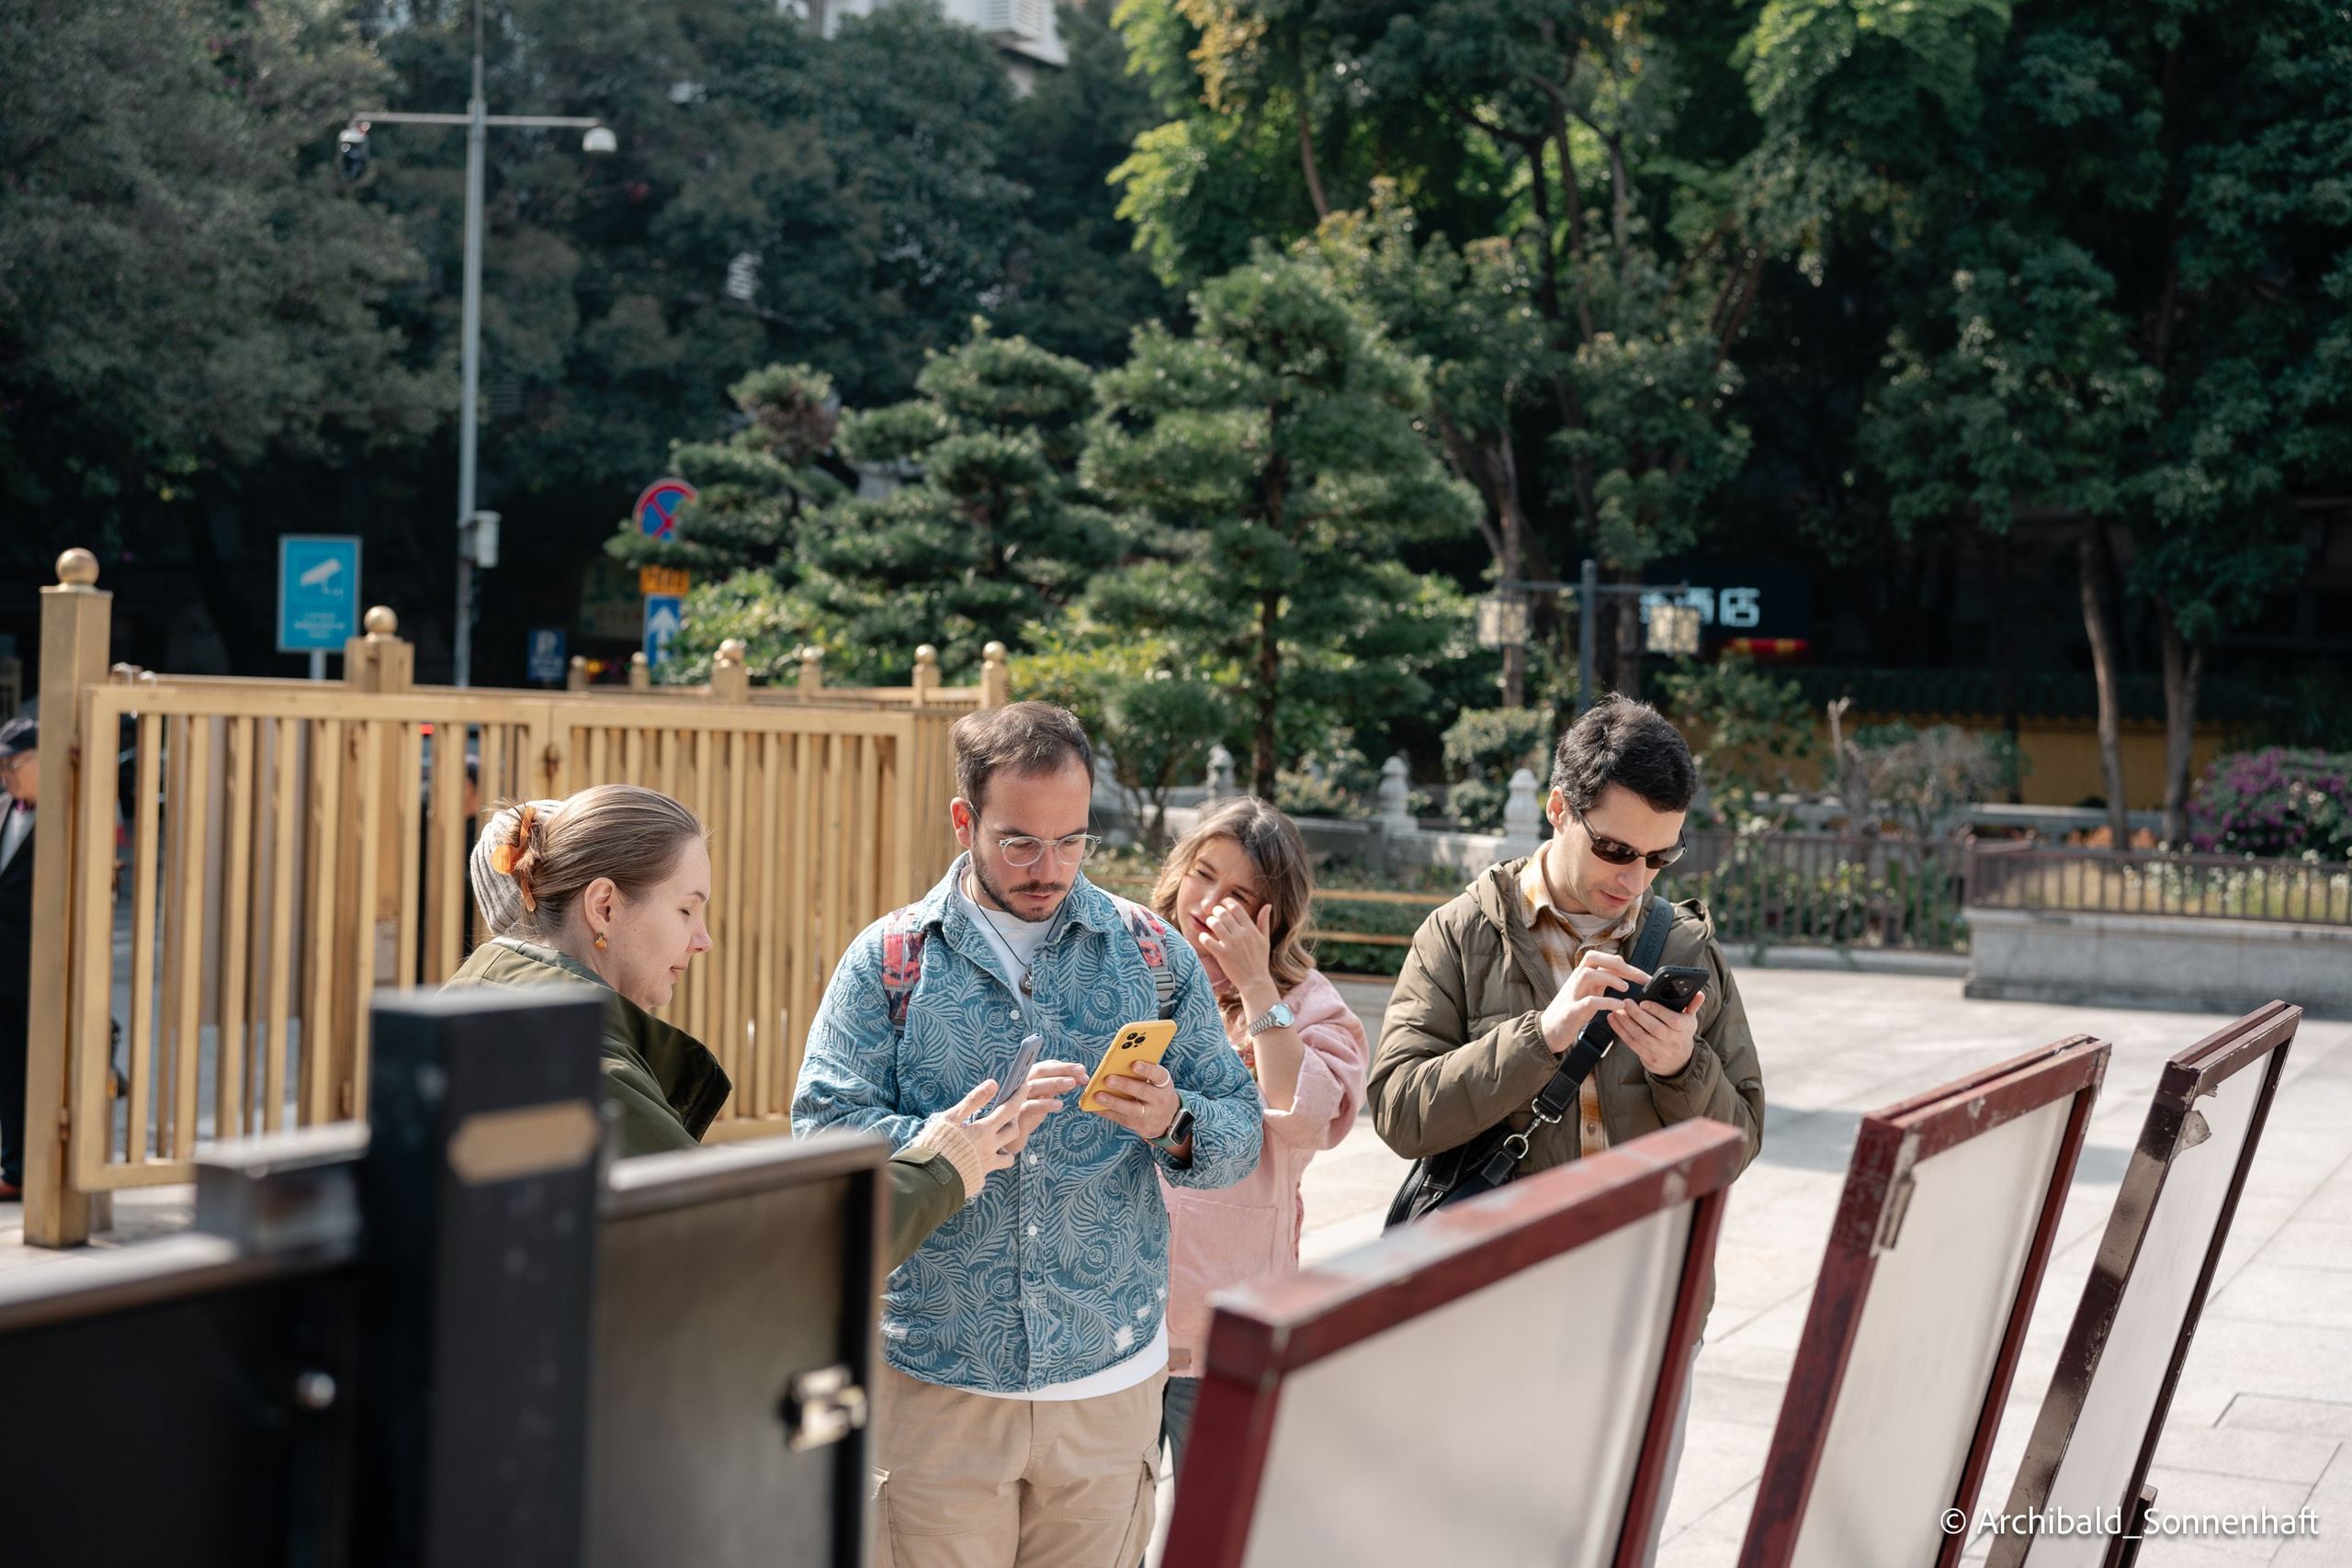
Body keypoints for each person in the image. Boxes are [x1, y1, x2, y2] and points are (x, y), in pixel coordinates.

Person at [794, 701, 1263, 1568]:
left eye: (1072, 840)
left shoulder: (1151, 952)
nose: (1049, 868)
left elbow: (1239, 1131)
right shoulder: (891, 958)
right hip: (938, 1376)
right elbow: (819, 1132)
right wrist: (951, 1138)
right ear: (964, 819)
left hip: (1110, 1376)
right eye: (1020, 842)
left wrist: (1176, 1123)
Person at [1370, 694, 1764, 1564]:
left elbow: (1737, 1142)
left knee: (1617, 1542)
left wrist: (1679, 1069)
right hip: (1486, 1307)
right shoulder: (1462, 933)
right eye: (1615, 849)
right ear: (1560, 809)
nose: (1635, 879)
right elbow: (1398, 1106)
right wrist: (1537, 1037)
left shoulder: (1684, 945)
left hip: (1643, 1306)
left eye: (1660, 856)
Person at [453, 785, 1047, 1269]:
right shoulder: (578, 1061)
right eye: (686, 908)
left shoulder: (488, 1004)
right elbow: (753, 1246)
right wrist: (942, 1165)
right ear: (604, 904)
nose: (703, 937)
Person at [1148, 796, 1367, 1485]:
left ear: (1275, 913)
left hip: (1227, 1323)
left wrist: (1253, 983)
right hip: (1115, 1320)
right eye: (1202, 874)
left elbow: (1305, 1119)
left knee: (1220, 1531)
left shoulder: (1308, 1002)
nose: (1210, 903)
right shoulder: (1129, 966)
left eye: (1240, 895)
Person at [0, 718, 36, 1203]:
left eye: (14, 763)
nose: (6, 773)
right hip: (3, 971)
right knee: (8, 1068)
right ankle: (15, 1166)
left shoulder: (69, 812)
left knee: (34, 1070)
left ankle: (26, 1168)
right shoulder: (7, 809)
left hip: (37, 970)